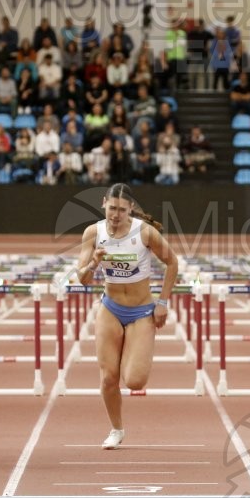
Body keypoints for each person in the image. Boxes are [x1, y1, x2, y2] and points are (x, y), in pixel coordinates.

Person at [76, 184, 179, 449]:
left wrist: (163, 302)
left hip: (142, 311)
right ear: (103, 204)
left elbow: (172, 262)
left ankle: (129, 352)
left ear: (131, 208)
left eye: (122, 209)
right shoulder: (93, 233)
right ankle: (116, 429)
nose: (116, 214)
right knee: (109, 378)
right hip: (110, 308)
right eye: (112, 208)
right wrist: (94, 262)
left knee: (134, 381)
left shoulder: (144, 232)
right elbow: (83, 279)